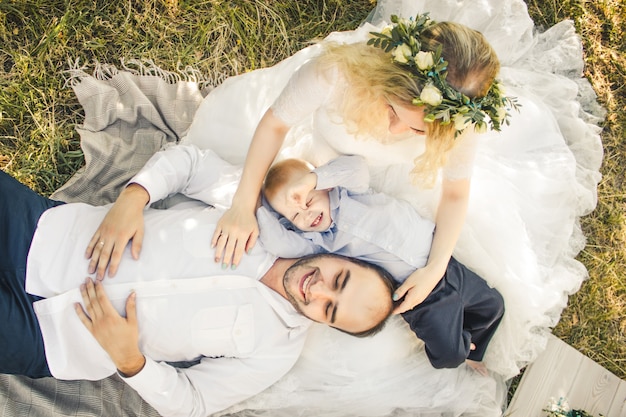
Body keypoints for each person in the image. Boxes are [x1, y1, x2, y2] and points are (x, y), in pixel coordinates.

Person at [181, 0, 603, 385]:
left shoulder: (456, 125)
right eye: (393, 111)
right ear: (385, 77)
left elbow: (455, 195)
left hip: (384, 193)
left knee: (478, 291)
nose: (395, 133)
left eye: (418, 129)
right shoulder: (336, 75)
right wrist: (242, 203)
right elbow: (274, 125)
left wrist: (435, 268)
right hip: (327, 177)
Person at [0, 169, 395, 417]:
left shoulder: (276, 352)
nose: (319, 291)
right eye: (338, 279)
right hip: (45, 235)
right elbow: (189, 164)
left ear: (326, 324)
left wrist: (130, 360)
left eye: (330, 310)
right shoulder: (269, 215)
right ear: (343, 258)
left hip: (50, 340)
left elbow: (194, 402)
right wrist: (133, 198)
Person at [261, 154, 504, 371]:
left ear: (324, 187)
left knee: (493, 305)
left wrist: (313, 179)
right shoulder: (321, 244)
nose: (307, 214)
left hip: (443, 261)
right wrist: (257, 206)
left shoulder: (351, 192)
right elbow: (278, 243)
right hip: (420, 299)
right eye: (295, 216)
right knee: (448, 355)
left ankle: (475, 348)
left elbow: (357, 167)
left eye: (308, 200)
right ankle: (462, 347)